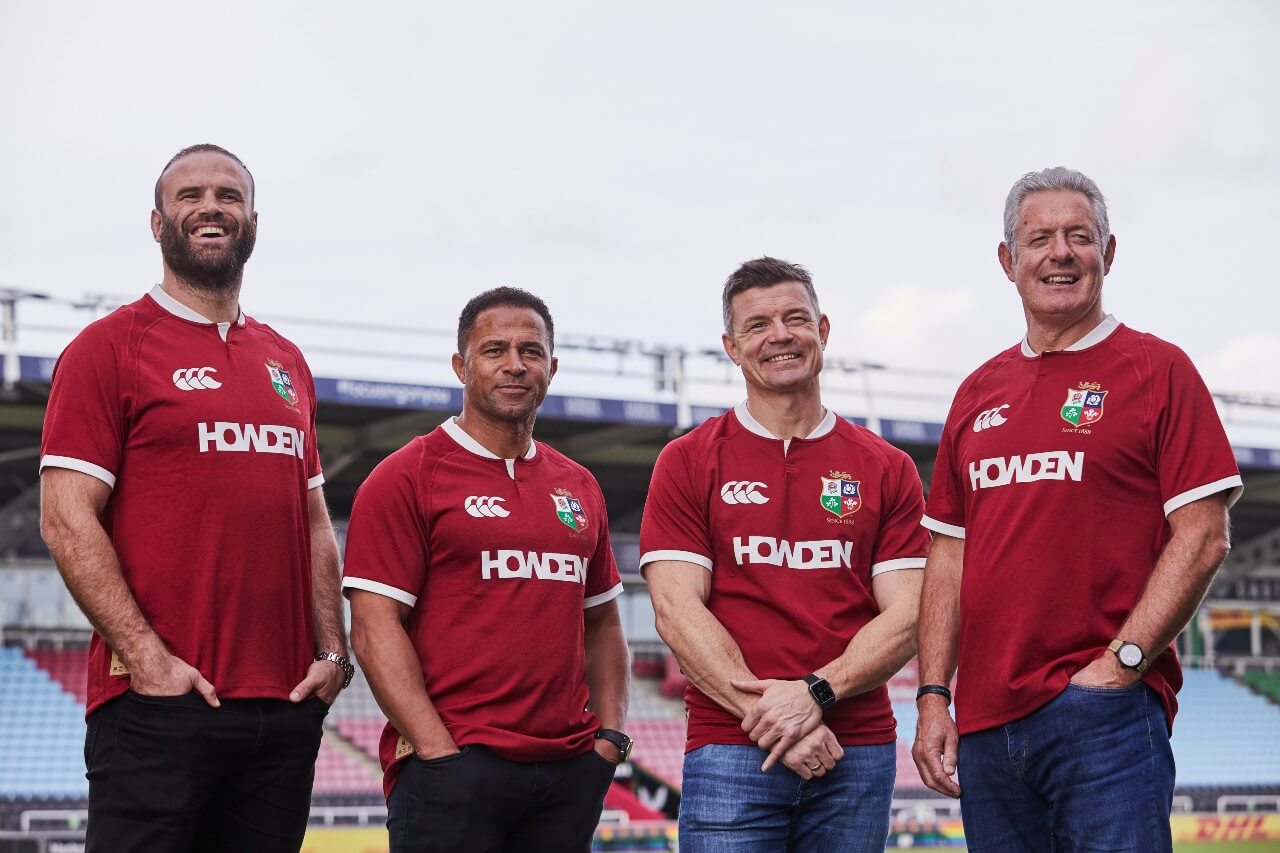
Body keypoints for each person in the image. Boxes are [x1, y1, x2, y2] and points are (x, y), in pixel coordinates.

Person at [912, 167, 1243, 852]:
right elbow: (948, 554)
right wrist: (934, 695)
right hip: (985, 724)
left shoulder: (1158, 370)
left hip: (1104, 713)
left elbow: (1204, 533)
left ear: (1108, 253)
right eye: (1039, 239)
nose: (1059, 253)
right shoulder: (977, 391)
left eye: (1078, 237)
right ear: (1009, 261)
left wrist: (1121, 664)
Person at [39, 144, 351, 853]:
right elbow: (64, 518)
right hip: (161, 704)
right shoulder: (107, 347)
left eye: (228, 196)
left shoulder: (286, 361)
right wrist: (147, 659)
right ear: (158, 223)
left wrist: (333, 653)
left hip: (284, 709)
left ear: (252, 222)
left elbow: (311, 521)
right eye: (190, 196)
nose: (210, 207)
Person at [639, 257, 930, 852]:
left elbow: (907, 617)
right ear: (731, 345)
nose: (780, 335)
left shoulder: (886, 467)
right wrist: (780, 719)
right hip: (730, 748)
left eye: (796, 318)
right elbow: (675, 610)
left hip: (857, 749)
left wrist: (814, 695)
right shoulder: (689, 460)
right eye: (758, 324)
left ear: (823, 330)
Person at [342, 287, 631, 853]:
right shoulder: (407, 475)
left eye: (531, 350)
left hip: (568, 772)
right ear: (461, 365)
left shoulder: (578, 486)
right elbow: (375, 628)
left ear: (552, 366)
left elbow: (604, 626)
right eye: (495, 349)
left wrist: (610, 741)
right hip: (454, 768)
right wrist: (436, 751)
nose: (515, 365)